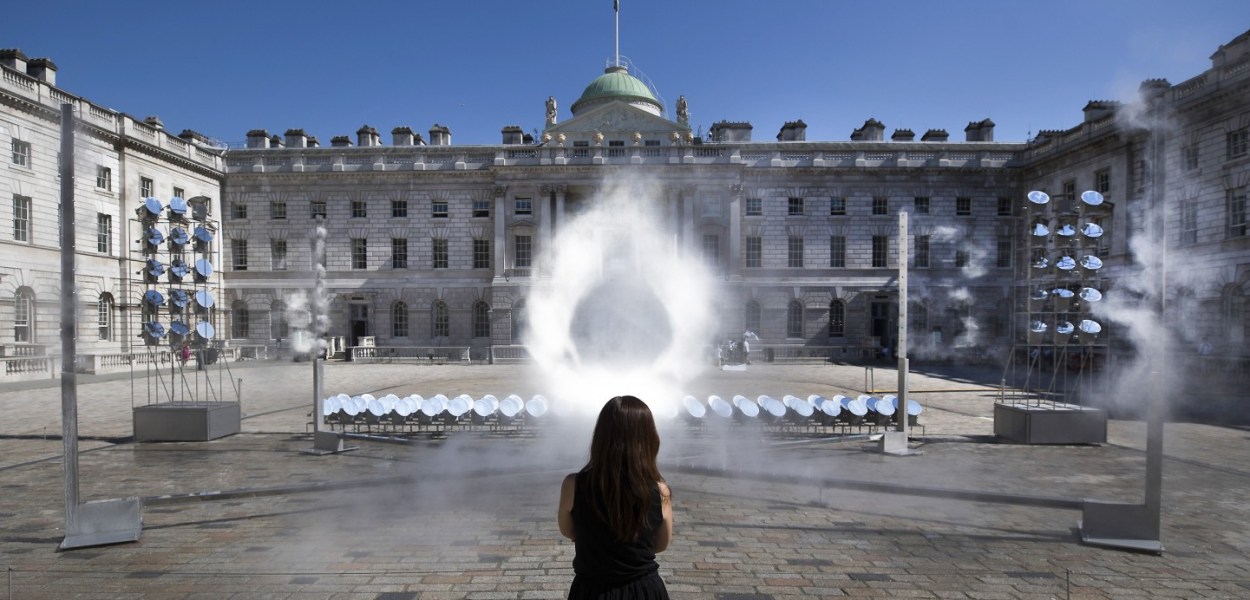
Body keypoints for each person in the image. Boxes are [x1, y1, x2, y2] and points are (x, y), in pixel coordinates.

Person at [559, 396, 673, 599]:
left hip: (592, 589)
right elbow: (660, 545)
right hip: (643, 589)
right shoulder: (660, 491)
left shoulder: (573, 485)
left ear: (601, 437)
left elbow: (569, 531)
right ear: (648, 438)